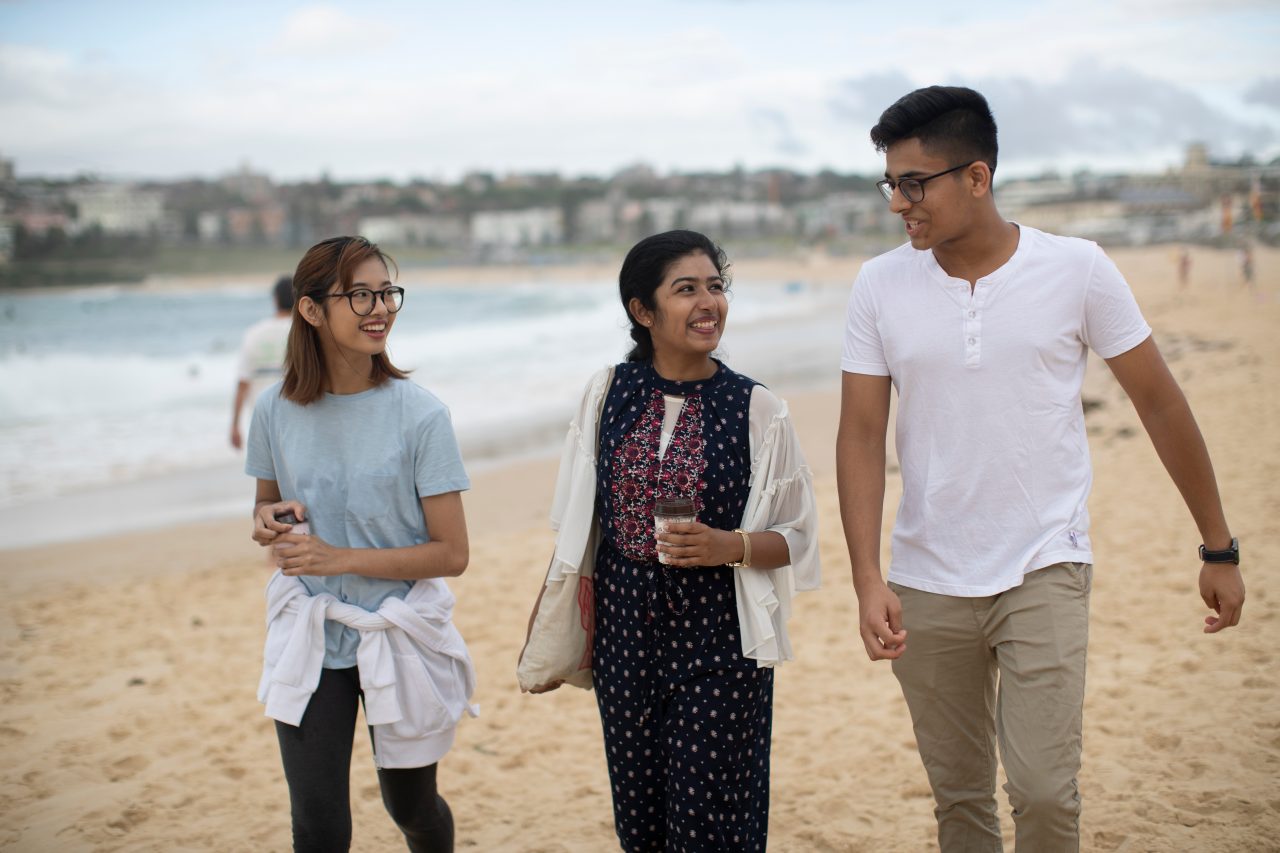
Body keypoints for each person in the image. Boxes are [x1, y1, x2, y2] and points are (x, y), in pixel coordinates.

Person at [837, 86, 1245, 852]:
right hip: (926, 577)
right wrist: (867, 576)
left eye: (914, 183)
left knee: (1046, 795)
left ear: (977, 178)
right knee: (960, 802)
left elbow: (1160, 403)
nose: (899, 203)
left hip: (1044, 565)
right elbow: (861, 434)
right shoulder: (878, 285)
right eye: (890, 183)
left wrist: (1217, 545)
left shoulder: (1078, 269)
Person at [528, 230, 820, 851]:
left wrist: (729, 545)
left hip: (719, 646)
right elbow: (579, 525)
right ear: (643, 310)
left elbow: (797, 537)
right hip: (624, 641)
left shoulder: (757, 408)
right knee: (641, 826)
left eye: (716, 287)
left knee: (709, 829)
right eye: (685, 289)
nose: (708, 302)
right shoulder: (608, 392)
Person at [245, 236, 476, 853]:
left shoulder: (421, 416)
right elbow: (265, 508)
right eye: (361, 295)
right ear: (312, 310)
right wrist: (268, 520)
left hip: (397, 632)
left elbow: (452, 553)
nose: (380, 309)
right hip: (312, 634)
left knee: (413, 806)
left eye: (386, 293)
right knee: (318, 826)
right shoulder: (273, 411)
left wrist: (338, 558)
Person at [230, 274, 294, 449]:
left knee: (267, 474)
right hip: (298, 418)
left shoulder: (254, 333)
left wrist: (235, 425)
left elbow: (242, 382)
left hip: (262, 418)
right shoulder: (306, 333)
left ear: (275, 300)